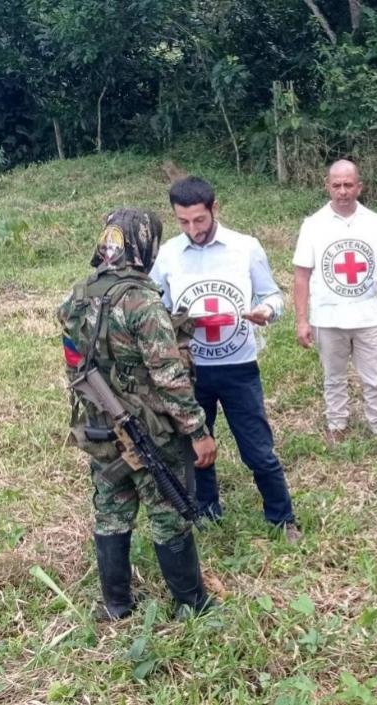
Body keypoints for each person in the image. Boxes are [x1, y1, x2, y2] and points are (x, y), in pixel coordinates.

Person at [59, 208, 217, 619]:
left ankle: (115, 605)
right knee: (169, 512)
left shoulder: (77, 295)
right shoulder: (141, 300)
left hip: (98, 424)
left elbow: (74, 363)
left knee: (111, 512)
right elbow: (169, 375)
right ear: (143, 246)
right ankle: (190, 604)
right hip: (150, 428)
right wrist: (198, 430)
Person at [149, 177, 300, 541]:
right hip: (189, 370)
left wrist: (266, 310)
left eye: (199, 220)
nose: (192, 229)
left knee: (258, 450)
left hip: (238, 367)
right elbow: (155, 304)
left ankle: (282, 519)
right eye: (183, 221)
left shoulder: (245, 248)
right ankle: (206, 513)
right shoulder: (168, 254)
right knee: (197, 449)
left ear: (215, 209)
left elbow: (274, 295)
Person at [293, 160, 377, 441]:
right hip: (327, 318)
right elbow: (301, 276)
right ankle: (337, 426)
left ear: (359, 187)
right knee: (334, 377)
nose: (342, 191)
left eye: (348, 185)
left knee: (375, 377)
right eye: (337, 185)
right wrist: (302, 320)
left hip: (367, 316)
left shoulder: (375, 222)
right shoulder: (313, 225)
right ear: (327, 186)